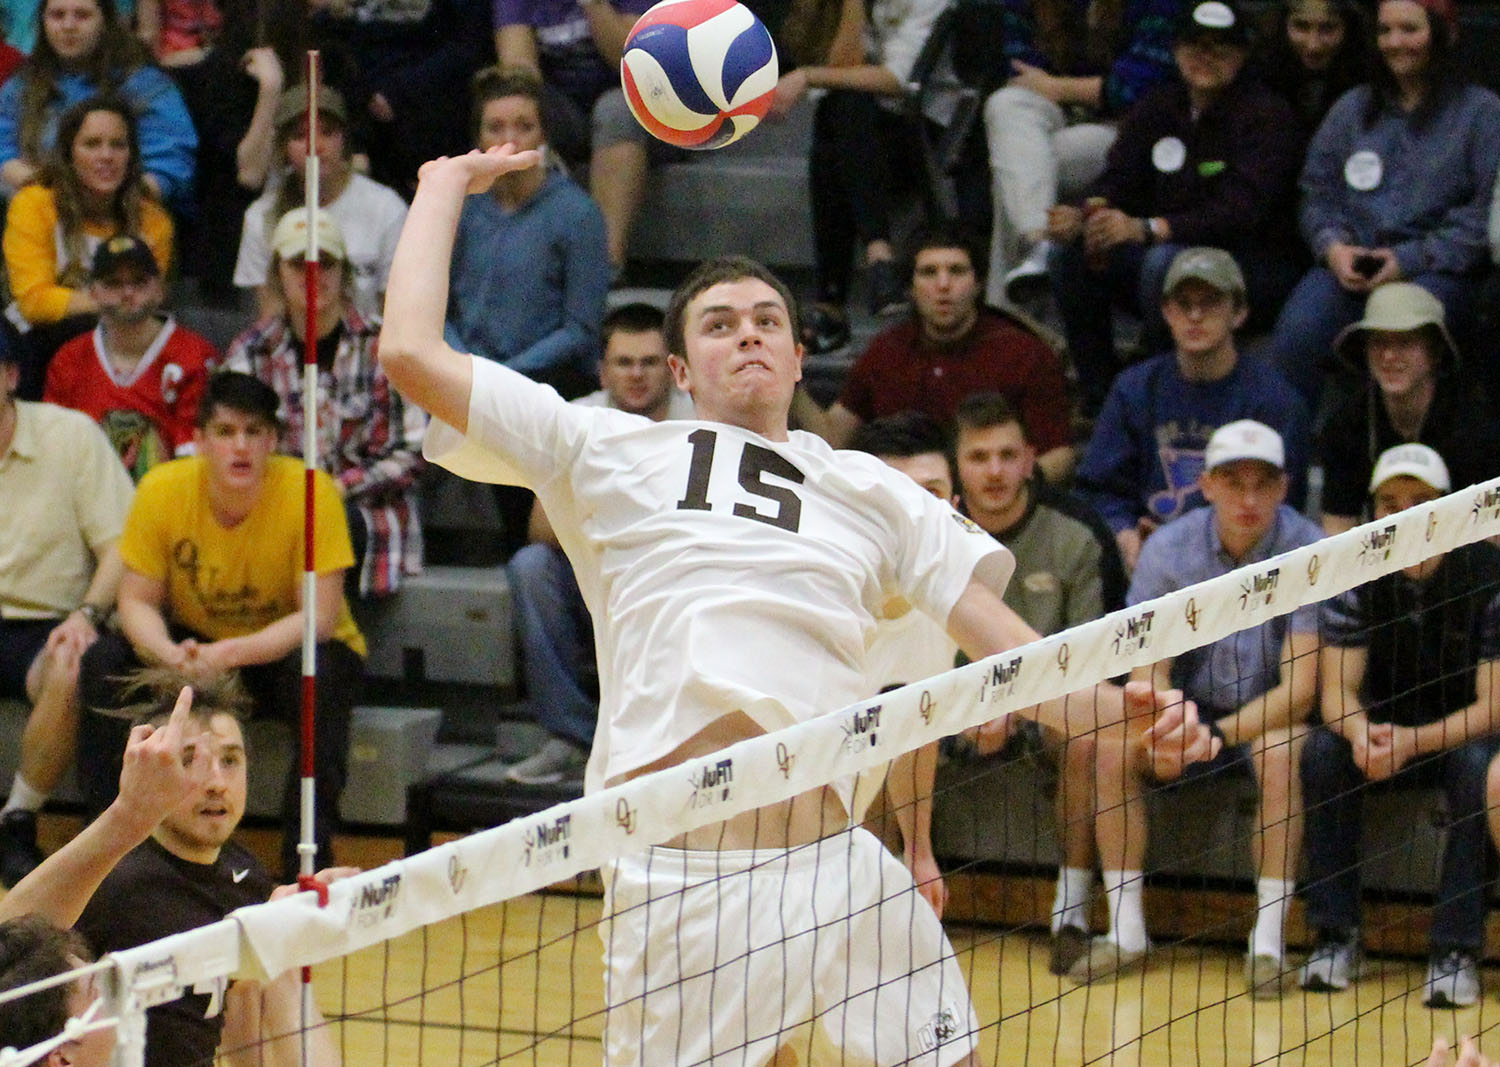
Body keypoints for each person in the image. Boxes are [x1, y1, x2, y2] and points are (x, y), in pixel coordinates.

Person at [378, 143, 1216, 1065]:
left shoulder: (870, 488)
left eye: (768, 319)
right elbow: (412, 352)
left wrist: (1126, 714)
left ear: (798, 354)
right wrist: (441, 188)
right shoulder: (603, 447)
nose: (748, 333)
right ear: (680, 370)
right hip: (686, 877)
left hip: (841, 864)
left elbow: (1012, 657)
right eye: (721, 323)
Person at [75, 370, 365, 876]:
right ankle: (106, 853)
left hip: (277, 649)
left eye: (254, 433)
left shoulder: (313, 491)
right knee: (104, 661)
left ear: (273, 441)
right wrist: (170, 656)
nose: (241, 447)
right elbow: (135, 602)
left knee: (327, 675)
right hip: (189, 647)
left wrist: (228, 656)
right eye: (227, 432)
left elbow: (320, 616)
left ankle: (306, 859)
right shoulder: (162, 488)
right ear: (199, 440)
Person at [1078, 420, 1322, 994]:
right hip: (1181, 709)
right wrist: (1167, 730)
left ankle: (1267, 945)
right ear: (1206, 485)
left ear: (1283, 488)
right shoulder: (1168, 550)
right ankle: (1126, 932)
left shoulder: (1310, 549)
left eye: (1263, 483)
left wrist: (1215, 735)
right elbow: (1147, 672)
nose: (1249, 498)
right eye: (1233, 482)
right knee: (1111, 749)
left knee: (1283, 752)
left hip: (1267, 714)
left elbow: (1302, 689)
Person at [0, 681, 345, 1067]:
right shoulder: (116, 880)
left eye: (230, 760)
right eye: (188, 760)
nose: (216, 783)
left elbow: (238, 1014)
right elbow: (11, 939)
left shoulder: (244, 875)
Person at [1301, 443, 1500, 1009]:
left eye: (1419, 501)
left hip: (1463, 733)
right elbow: (1335, 691)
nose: (1403, 513)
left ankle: (1455, 949)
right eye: (1389, 502)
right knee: (1320, 751)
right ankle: (1336, 936)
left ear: (1448, 508)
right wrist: (1361, 732)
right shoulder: (1352, 571)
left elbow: (1494, 707)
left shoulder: (1488, 574)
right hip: (1380, 734)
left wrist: (1413, 740)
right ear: (1372, 511)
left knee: (1478, 766)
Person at [1044, 0, 1304, 415]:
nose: (1206, 58)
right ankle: (1102, 395)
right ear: (1176, 51)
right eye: (1195, 46)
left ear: (1241, 55)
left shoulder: (1267, 115)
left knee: (1164, 266)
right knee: (1070, 256)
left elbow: (1240, 212)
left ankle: (1165, 392)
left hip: (1252, 261)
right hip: (1163, 241)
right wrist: (1087, 212)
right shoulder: (1160, 106)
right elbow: (1119, 177)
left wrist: (1150, 228)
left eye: (1220, 49)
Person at [1269, 0, 1500, 412]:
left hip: (1435, 271)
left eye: (1409, 30)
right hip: (1350, 265)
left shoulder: (1482, 114)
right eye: (1384, 31)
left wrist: (1408, 260)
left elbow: (1485, 216)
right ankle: (1289, 466)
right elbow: (1316, 192)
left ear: (1442, 34)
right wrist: (1333, 248)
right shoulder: (1352, 109)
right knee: (1298, 333)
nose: (1394, 42)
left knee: (1404, 333)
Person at [949, 393, 1112, 976]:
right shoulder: (933, 536)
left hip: (1047, 706)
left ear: (1030, 461)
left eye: (1006, 455)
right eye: (978, 456)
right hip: (944, 708)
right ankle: (878, 907)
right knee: (877, 731)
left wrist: (1022, 706)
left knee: (1088, 739)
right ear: (958, 466)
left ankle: (1069, 913)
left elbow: (1090, 661)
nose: (993, 471)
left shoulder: (1075, 539)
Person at [503, 303, 690, 786]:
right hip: (597, 573)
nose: (636, 375)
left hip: (677, 575)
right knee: (530, 567)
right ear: (602, 369)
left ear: (672, 366)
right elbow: (542, 529)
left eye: (649, 362)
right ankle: (570, 736)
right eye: (624, 363)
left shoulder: (701, 417)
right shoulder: (576, 418)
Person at [226, 208, 425, 599]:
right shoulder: (248, 354)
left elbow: (413, 451)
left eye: (327, 264)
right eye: (299, 264)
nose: (313, 275)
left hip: (366, 514)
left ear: (344, 272)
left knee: (326, 522)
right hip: (273, 508)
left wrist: (334, 489)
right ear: (277, 273)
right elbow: (233, 445)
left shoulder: (388, 348)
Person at [1074, 246, 1311, 574]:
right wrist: (1125, 536)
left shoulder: (1274, 400)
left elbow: (1282, 504)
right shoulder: (1135, 389)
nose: (1195, 316)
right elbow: (1099, 489)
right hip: (1143, 563)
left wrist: (1187, 544)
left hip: (1240, 565)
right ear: (1167, 313)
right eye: (1183, 305)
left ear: (1239, 312)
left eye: (1210, 302)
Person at [0, 328, 133, 889]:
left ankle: (17, 820)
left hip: (47, 619)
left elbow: (123, 546)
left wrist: (87, 615)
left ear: (10, 377)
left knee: (73, 662)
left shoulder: (70, 436)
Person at [820, 225, 1075, 481]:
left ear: (978, 284)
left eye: (957, 271)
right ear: (910, 288)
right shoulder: (886, 350)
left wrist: (1006, 490)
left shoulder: (1024, 353)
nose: (943, 285)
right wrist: (791, 380)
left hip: (991, 505)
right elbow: (830, 439)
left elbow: (1059, 455)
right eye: (929, 272)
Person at [765, 0, 946, 344]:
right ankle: (879, 257)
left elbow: (896, 80)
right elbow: (840, 65)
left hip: (926, 125)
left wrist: (806, 77)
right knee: (842, 110)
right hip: (864, 129)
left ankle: (831, 301)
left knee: (843, 112)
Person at [980, 0, 1180, 306]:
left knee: (1018, 167)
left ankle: (1005, 320)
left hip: (1124, 131)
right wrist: (1076, 90)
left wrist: (1057, 87)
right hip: (1053, 118)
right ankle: (1038, 241)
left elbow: (1140, 89)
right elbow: (1019, 72)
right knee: (1005, 105)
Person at [445, 66, 609, 399]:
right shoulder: (460, 207)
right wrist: (462, 365)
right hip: (464, 381)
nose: (509, 140)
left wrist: (505, 376)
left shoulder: (578, 214)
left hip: (547, 387)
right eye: (495, 128)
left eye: (524, 127)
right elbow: (438, 309)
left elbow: (580, 329)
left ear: (544, 136)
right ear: (478, 140)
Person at [2, 93, 173, 399]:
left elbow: (152, 299)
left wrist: (117, 304)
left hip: (123, 338)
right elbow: (34, 302)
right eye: (92, 144)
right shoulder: (34, 204)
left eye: (118, 145)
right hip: (36, 343)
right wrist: (116, 300)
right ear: (69, 154)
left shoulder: (153, 220)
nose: (106, 156)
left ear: (132, 156)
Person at [1317, 281, 1500, 535]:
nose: (1389, 356)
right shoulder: (1346, 427)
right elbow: (1337, 530)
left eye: (1404, 342)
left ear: (1434, 351)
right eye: (1379, 343)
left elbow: (1493, 533)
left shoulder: (1475, 425)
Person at [43, 232, 218, 481]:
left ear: (160, 289)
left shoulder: (195, 356)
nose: (127, 293)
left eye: (139, 282)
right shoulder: (68, 360)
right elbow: (53, 452)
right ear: (92, 292)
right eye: (113, 283)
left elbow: (198, 457)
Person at [233, 83, 408, 324]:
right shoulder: (260, 217)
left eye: (327, 132)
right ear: (283, 147)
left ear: (344, 141)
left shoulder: (388, 210)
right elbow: (269, 315)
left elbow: (396, 315)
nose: (315, 146)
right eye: (299, 136)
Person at [0, 0, 195, 210]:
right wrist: (50, 190)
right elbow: (3, 150)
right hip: (39, 209)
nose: (68, 26)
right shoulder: (21, 86)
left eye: (82, 15)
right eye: (57, 15)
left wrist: (101, 205)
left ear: (105, 21)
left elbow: (168, 167)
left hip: (127, 216)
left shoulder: (146, 86)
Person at [492, 0, 653, 168]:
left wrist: (593, 4)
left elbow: (636, 63)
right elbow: (519, 73)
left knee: (614, 111)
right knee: (514, 107)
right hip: (562, 104)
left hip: (627, 97)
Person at [1255, 0, 1373, 138]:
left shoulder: (1370, 86)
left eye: (1328, 28)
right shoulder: (1259, 79)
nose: (1313, 46)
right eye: (1301, 26)